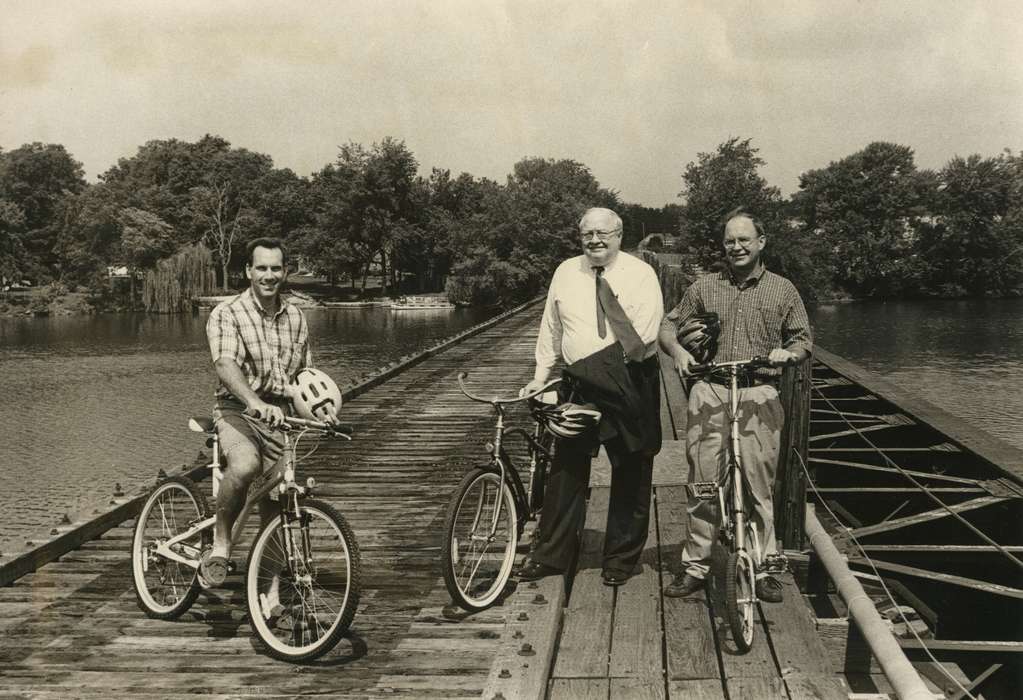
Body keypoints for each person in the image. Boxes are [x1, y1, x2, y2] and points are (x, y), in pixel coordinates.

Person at [659, 207, 811, 602]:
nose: (737, 246)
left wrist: (787, 354)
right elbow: (667, 325)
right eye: (730, 240)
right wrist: (676, 351)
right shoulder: (704, 287)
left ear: (761, 243)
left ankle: (762, 568)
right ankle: (696, 564)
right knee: (704, 482)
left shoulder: (783, 289)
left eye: (745, 239)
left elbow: (803, 340)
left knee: (758, 483)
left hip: (759, 390)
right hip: (710, 389)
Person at [515, 207, 664, 587]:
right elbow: (551, 327)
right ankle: (552, 555)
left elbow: (641, 337)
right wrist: (540, 377)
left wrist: (587, 371)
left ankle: (620, 557)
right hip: (579, 383)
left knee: (631, 465)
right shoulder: (566, 271)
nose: (595, 240)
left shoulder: (641, 274)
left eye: (603, 233)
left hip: (628, 379)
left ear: (619, 235)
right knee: (566, 466)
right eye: (587, 234)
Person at [201, 236, 317, 587]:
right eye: (262, 268)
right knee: (246, 465)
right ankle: (221, 544)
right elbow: (224, 364)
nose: (269, 275)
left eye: (276, 268)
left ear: (285, 272)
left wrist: (322, 409)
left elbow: (304, 376)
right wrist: (254, 401)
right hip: (238, 409)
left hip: (281, 416)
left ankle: (270, 594)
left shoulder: (296, 317)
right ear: (248, 271)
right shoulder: (228, 312)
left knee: (281, 499)